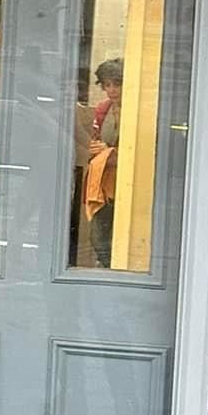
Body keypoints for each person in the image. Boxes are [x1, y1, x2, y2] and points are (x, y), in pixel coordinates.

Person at [84, 58, 122, 267]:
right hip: (103, 181)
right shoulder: (103, 109)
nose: (111, 90)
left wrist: (111, 152)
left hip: (125, 181)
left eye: (116, 84)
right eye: (107, 85)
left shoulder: (138, 111)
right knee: (99, 237)